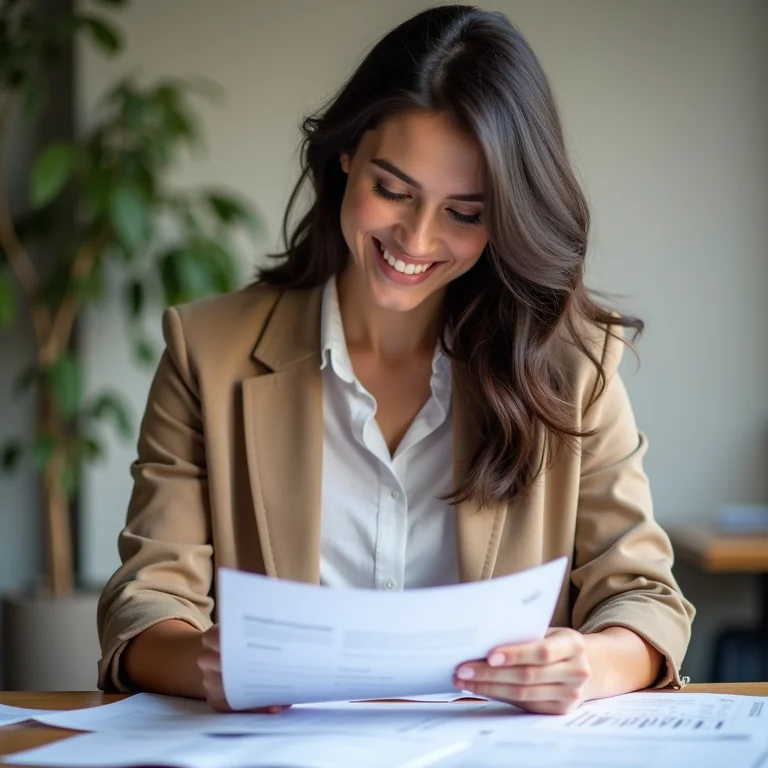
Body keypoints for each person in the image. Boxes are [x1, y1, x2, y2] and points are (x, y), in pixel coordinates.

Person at [97, 4, 694, 716]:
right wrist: (210, 665)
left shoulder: (571, 367)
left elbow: (642, 596)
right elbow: (145, 603)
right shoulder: (208, 352)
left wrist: (590, 664)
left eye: (464, 213)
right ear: (346, 154)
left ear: (504, 215)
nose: (416, 238)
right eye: (392, 190)